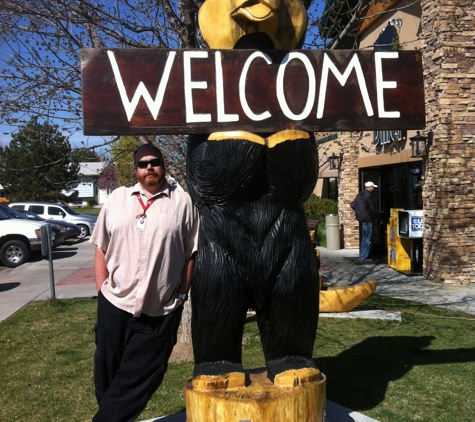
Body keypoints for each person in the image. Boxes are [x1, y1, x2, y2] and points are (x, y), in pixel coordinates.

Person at [90, 144, 198, 422]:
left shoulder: (183, 203)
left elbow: (190, 254)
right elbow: (101, 247)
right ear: (135, 169)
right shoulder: (117, 199)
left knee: (141, 376)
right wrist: (102, 290)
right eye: (142, 163)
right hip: (115, 303)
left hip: (160, 308)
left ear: (163, 165)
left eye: (155, 162)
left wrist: (181, 296)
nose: (149, 167)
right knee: (107, 372)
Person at [351, 181, 383, 262]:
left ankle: (368, 254)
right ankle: (363, 257)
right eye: (373, 187)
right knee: (367, 238)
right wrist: (380, 218)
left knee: (368, 237)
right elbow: (374, 209)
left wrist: (359, 212)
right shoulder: (368, 196)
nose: (373, 189)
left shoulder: (360, 194)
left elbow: (353, 205)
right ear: (369, 187)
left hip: (361, 218)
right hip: (367, 219)